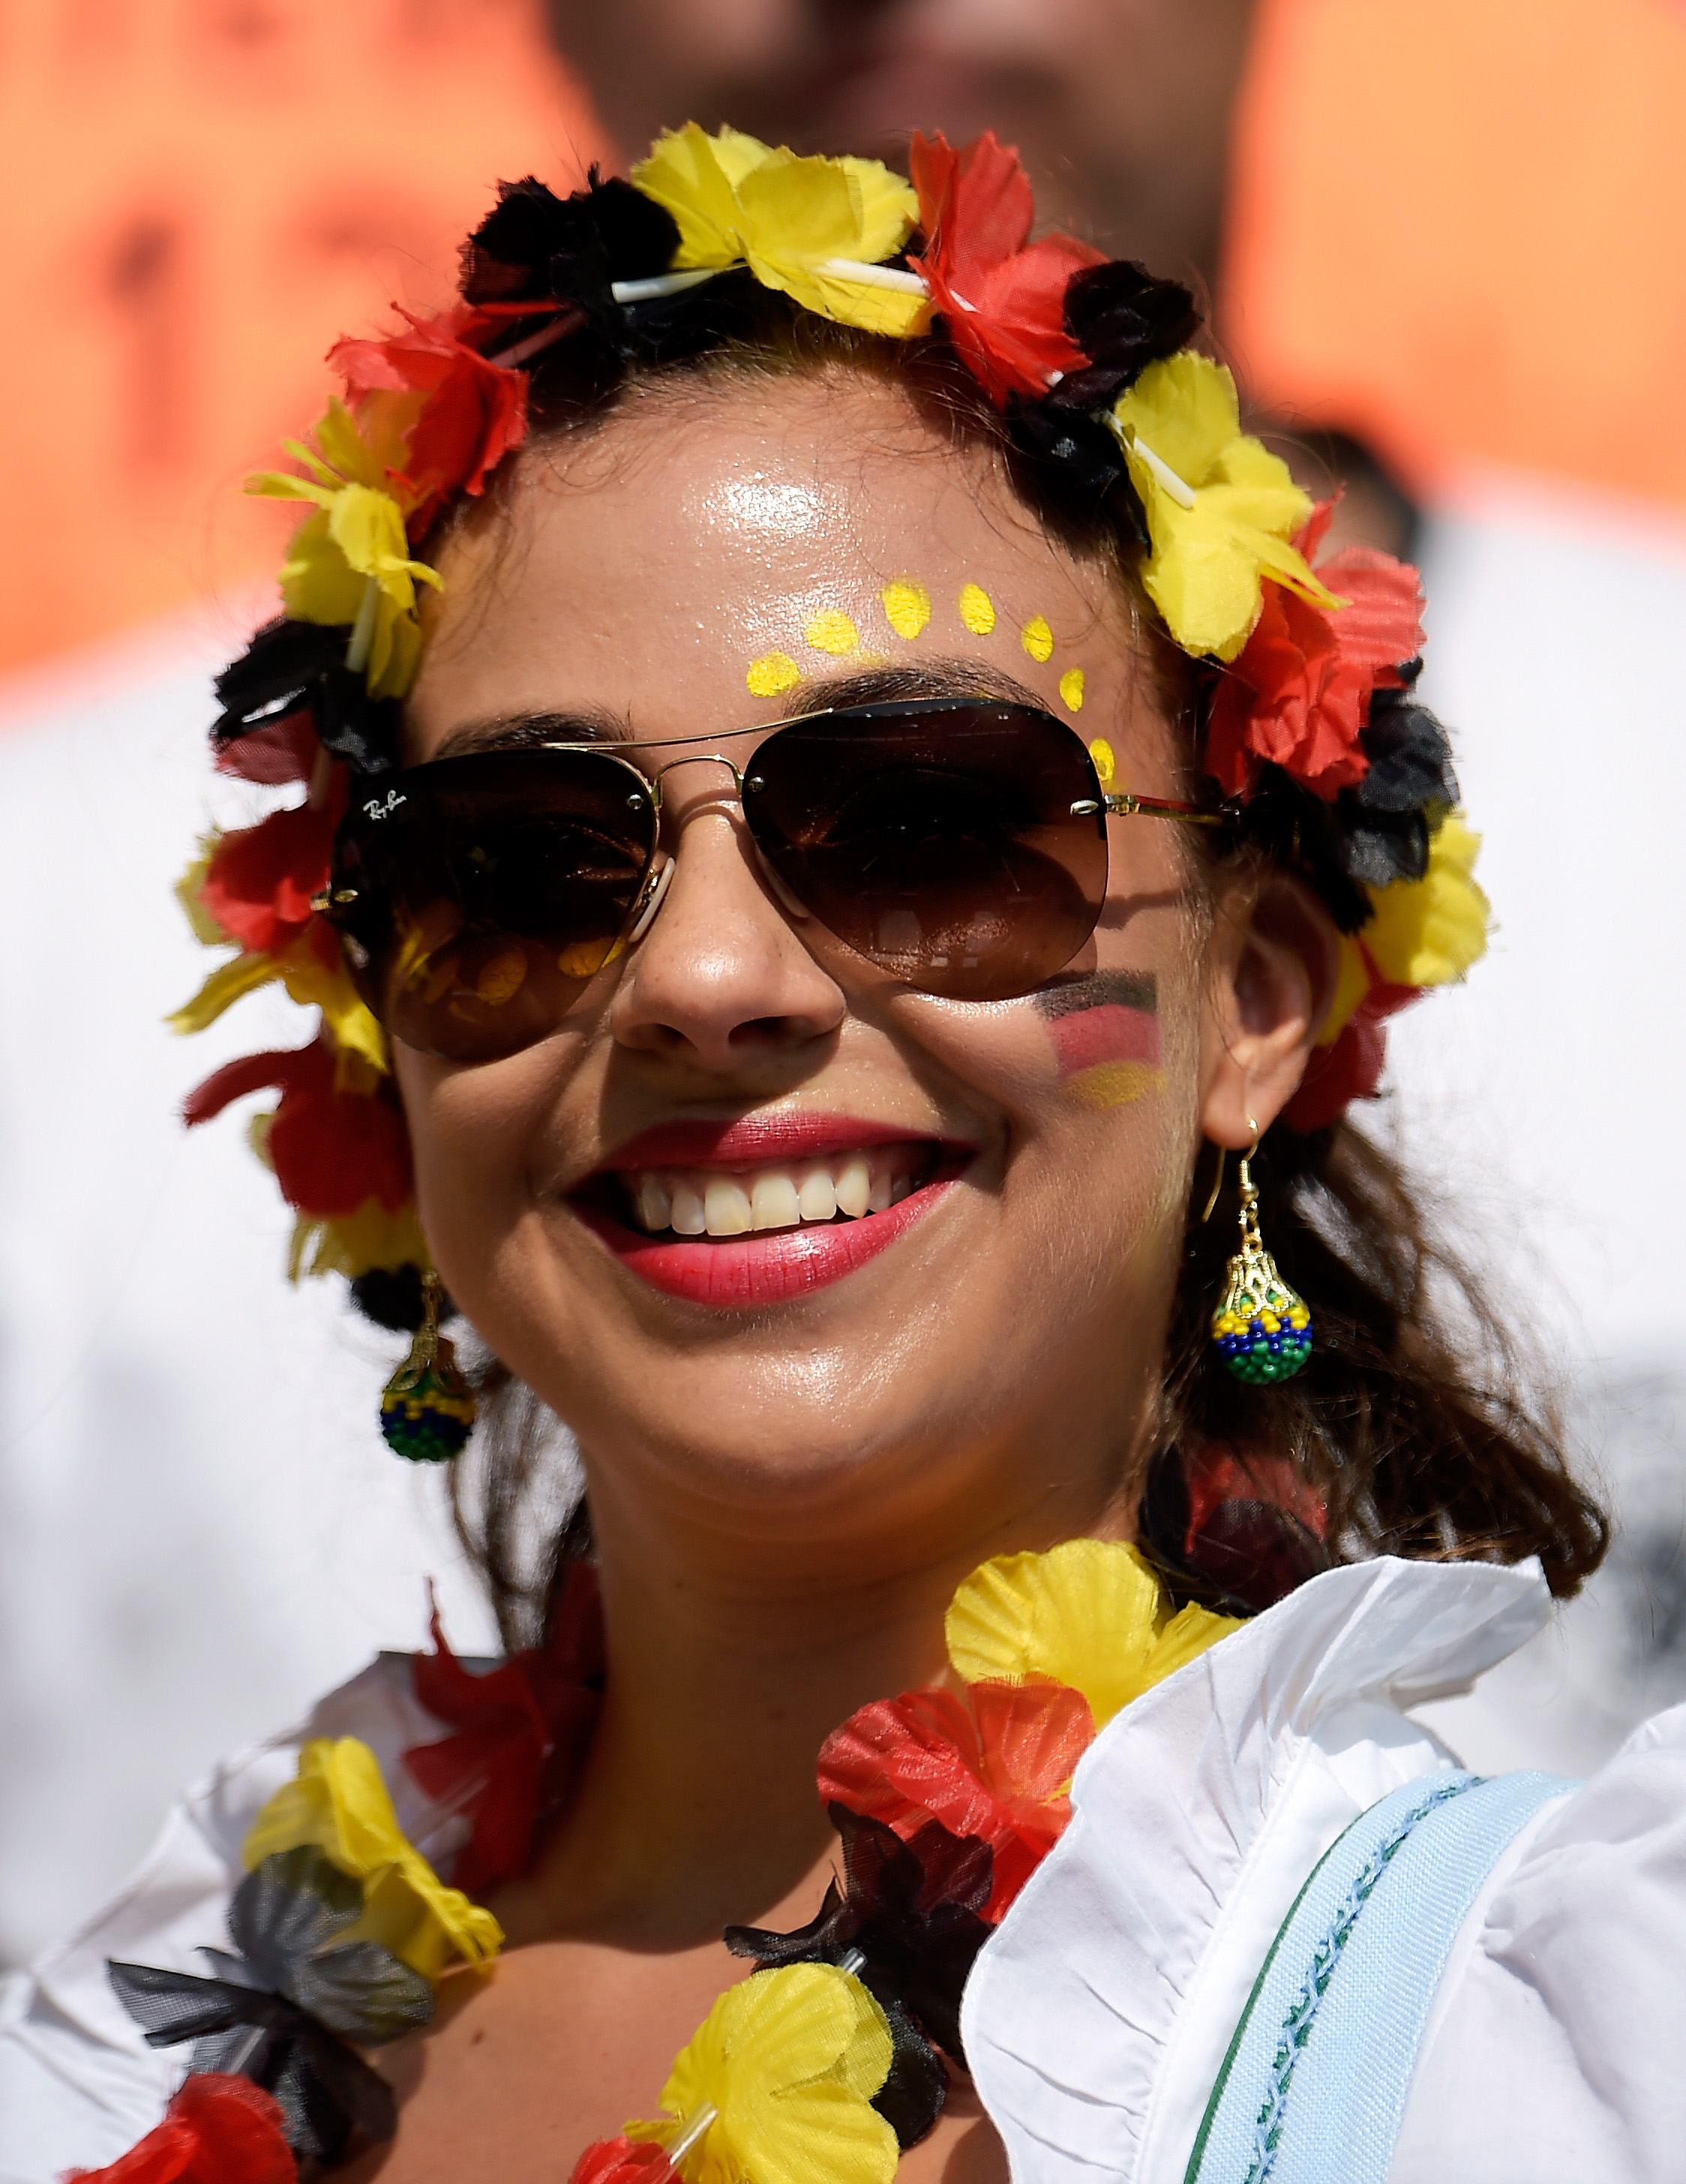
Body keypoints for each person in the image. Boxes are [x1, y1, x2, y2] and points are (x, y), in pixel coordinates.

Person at [6, 124, 1680, 2184]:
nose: (707, 977)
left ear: (1256, 1002)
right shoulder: (113, 2035)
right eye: (523, 866)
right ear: (387, 1053)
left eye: (924, 823)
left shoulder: (1543, 2056)